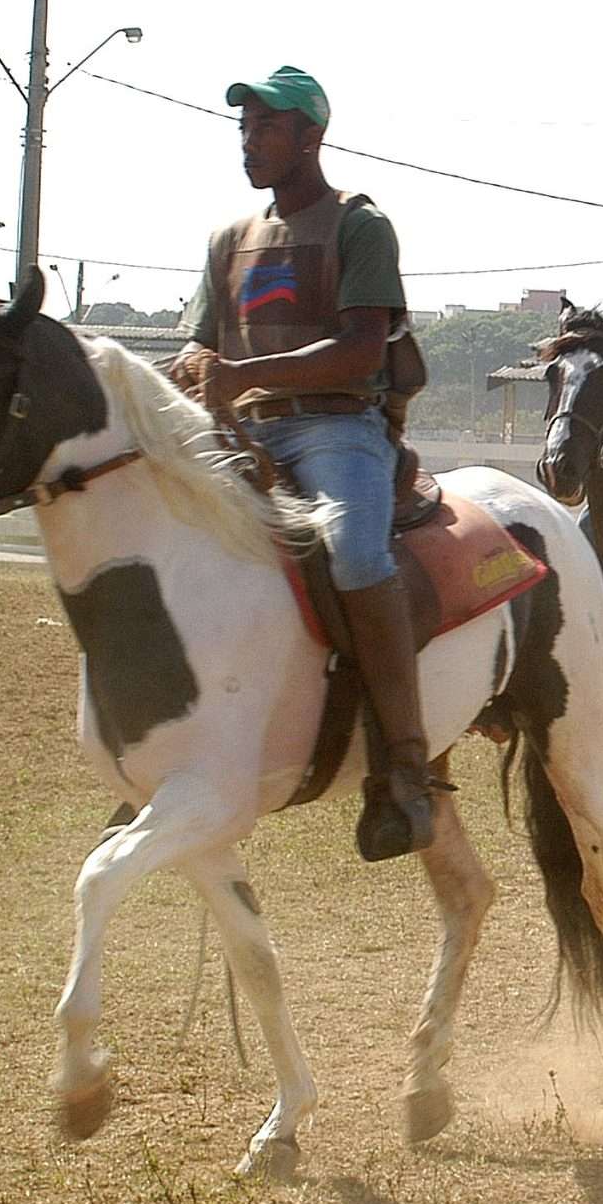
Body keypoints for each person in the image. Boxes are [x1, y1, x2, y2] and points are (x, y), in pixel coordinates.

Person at [173, 66, 441, 863]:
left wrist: (245, 376)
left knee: (357, 552)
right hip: (240, 431)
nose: (249, 143)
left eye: (265, 129)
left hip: (338, 430)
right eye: (244, 129)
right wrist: (187, 369)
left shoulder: (360, 226)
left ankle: (405, 768)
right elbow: (200, 341)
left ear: (311, 136)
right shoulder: (230, 241)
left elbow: (364, 346)